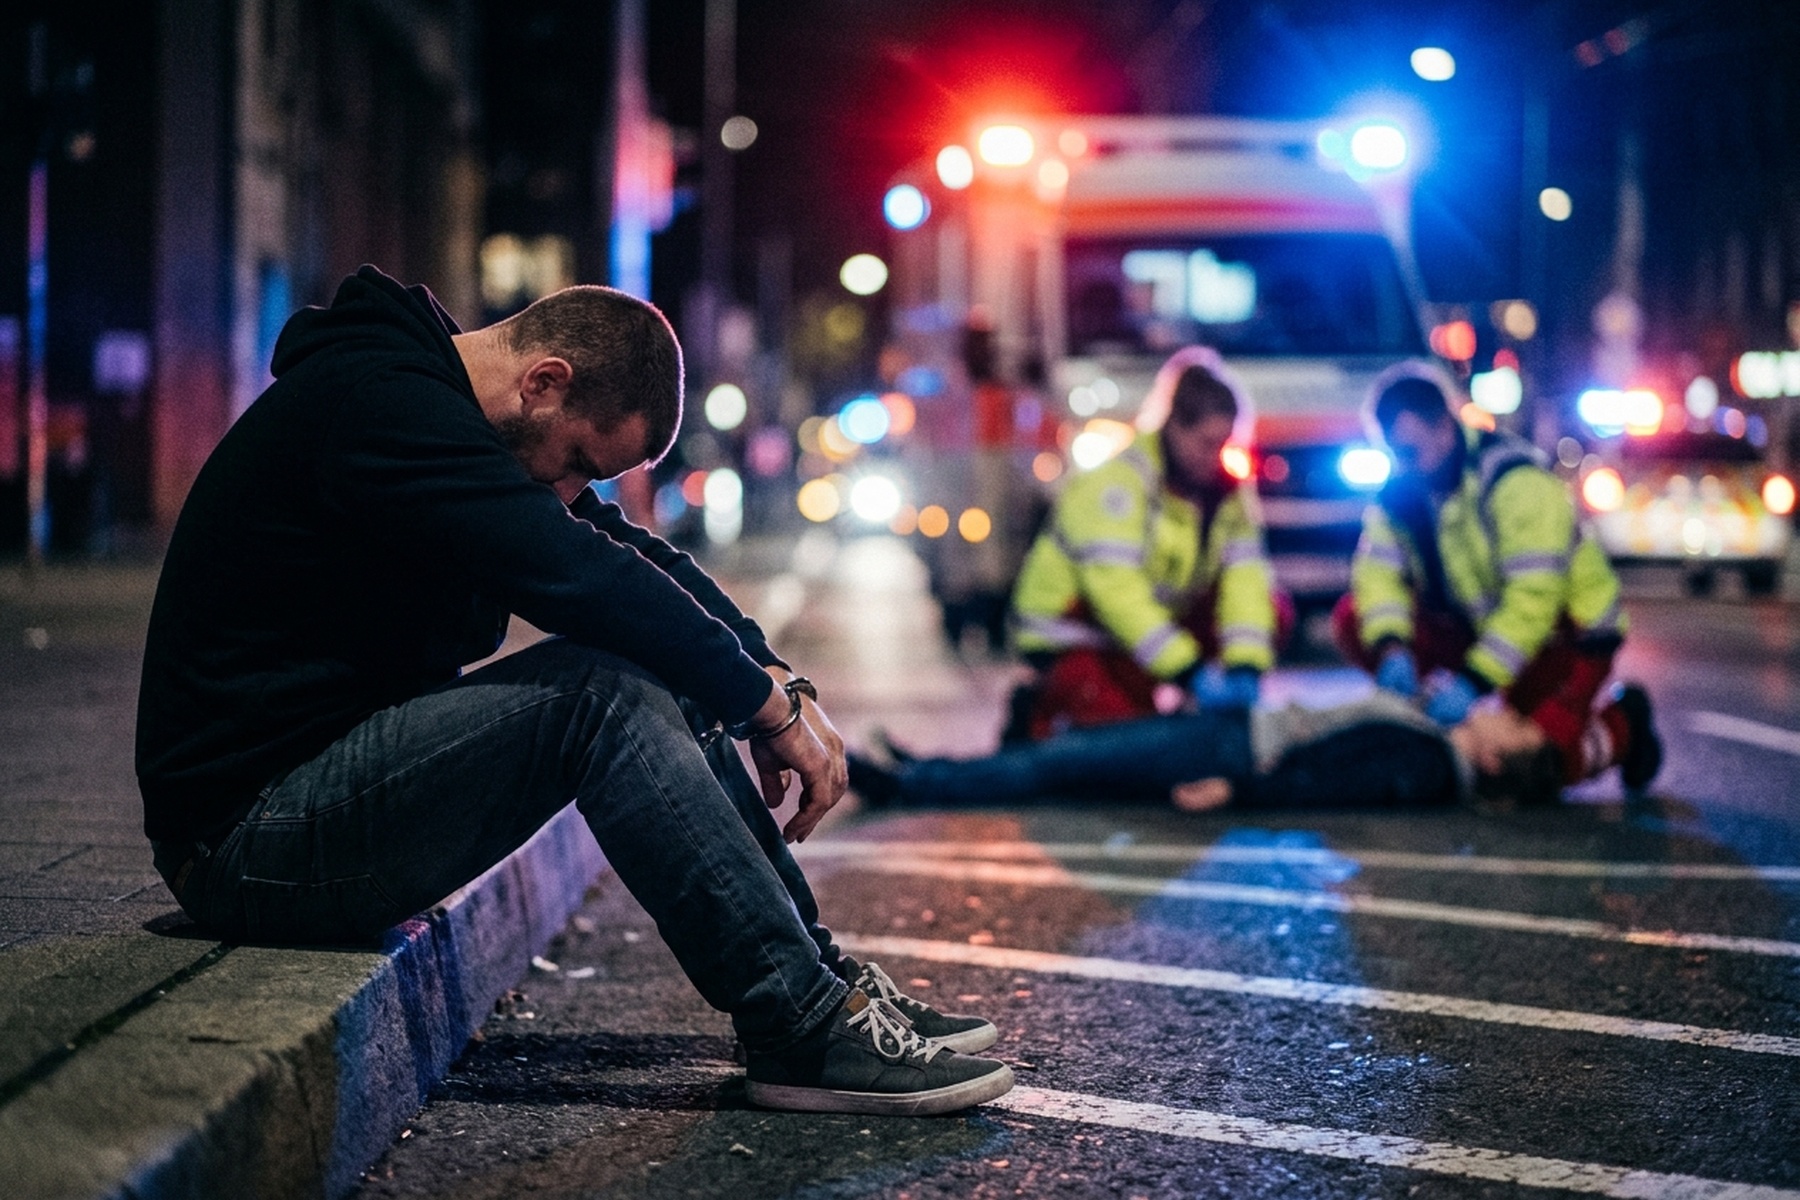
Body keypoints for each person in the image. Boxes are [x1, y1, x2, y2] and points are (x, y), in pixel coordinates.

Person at [135, 265, 1013, 1117]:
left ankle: (822, 990)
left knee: (667, 662)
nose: (573, 492)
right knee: (600, 692)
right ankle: (800, 1029)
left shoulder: (472, 420)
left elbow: (628, 558)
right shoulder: (381, 410)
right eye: (578, 464)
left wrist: (770, 676)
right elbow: (577, 576)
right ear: (544, 383)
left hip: (327, 794)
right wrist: (763, 706)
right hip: (248, 842)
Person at [1332, 363, 1661, 792]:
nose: (1403, 465)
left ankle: (1624, 728)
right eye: (1394, 452)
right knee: (1354, 618)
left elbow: (1535, 599)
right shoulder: (1402, 492)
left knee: (1533, 770)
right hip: (1488, 633)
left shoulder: (1515, 480)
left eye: (1410, 451)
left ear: (1445, 428)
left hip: (1568, 639)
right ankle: (1436, 727)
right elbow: (1377, 574)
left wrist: (1474, 681)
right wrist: (1393, 646)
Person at [1008, 348, 1289, 741]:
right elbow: (1116, 594)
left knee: (1274, 608)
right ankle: (1039, 712)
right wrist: (1189, 671)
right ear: (1174, 427)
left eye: (1223, 443)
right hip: (1075, 638)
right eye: (1206, 442)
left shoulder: (1227, 496)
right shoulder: (1117, 485)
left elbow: (1247, 581)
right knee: (1120, 749)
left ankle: (1164, 714)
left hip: (1138, 640)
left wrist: (1245, 666)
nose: (1215, 456)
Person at [846, 685, 1635, 815]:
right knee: (1073, 759)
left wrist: (1240, 791)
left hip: (1230, 749)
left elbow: (1331, 783)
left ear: (1494, 761)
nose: (1504, 715)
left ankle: (912, 781)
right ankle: (923, 771)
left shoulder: (1426, 762)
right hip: (1230, 738)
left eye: (1515, 730)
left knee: (1067, 760)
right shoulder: (1431, 740)